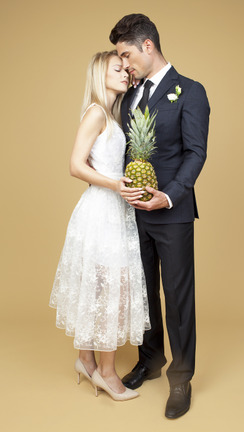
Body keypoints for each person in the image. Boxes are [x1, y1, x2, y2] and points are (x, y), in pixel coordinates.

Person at [109, 14, 210, 418]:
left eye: (127, 54)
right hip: (133, 211)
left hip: (171, 211)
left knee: (178, 297)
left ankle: (181, 377)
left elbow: (195, 152)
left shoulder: (190, 91)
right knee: (143, 290)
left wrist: (167, 197)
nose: (125, 63)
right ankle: (149, 360)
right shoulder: (130, 95)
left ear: (147, 46)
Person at [49, 50, 151, 401]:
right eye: (118, 69)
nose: (126, 73)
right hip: (102, 209)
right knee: (113, 290)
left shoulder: (111, 114)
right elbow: (75, 166)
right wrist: (116, 184)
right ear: (99, 74)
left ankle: (85, 360)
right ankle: (107, 374)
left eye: (127, 69)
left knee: (100, 286)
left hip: (111, 209)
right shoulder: (96, 113)